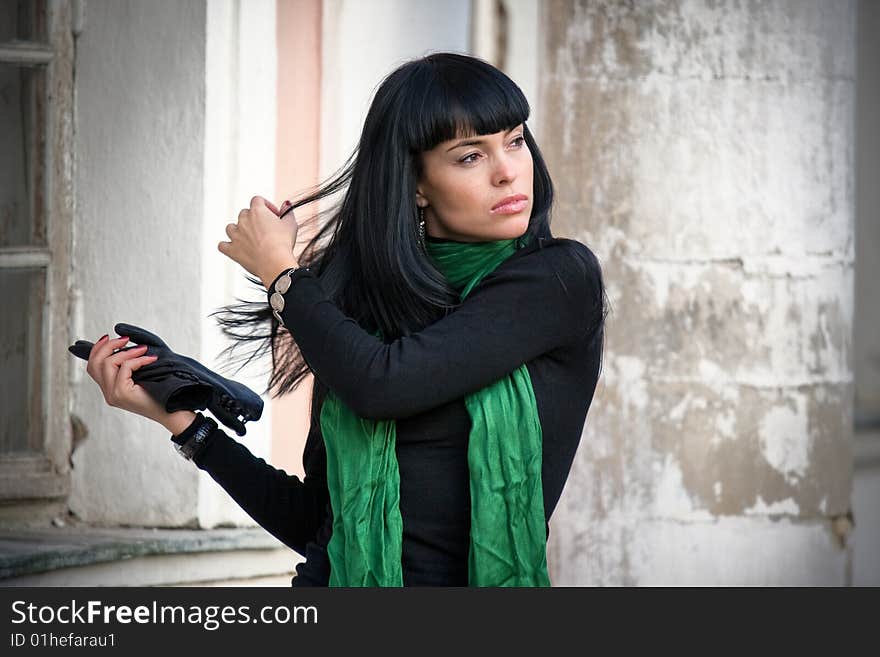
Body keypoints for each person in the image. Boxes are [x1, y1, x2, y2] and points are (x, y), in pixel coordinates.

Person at [83, 52, 607, 587]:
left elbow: (382, 383)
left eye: (515, 140)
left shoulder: (557, 280)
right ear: (416, 183)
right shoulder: (358, 317)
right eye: (470, 156)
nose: (508, 171)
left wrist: (283, 278)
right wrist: (187, 426)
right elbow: (319, 521)